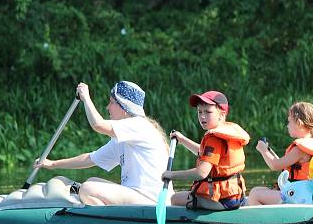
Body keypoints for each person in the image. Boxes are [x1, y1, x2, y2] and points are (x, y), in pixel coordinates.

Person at [34, 80, 171, 205]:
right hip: (139, 197)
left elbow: (98, 125)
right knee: (92, 181)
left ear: (124, 108)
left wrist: (86, 98)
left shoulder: (138, 125)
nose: (107, 107)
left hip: (153, 201)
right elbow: (89, 159)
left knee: (87, 188)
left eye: (111, 102)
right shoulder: (124, 137)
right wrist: (52, 164)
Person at [162, 91, 250, 210]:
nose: (202, 116)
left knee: (175, 199)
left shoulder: (214, 138)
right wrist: (182, 140)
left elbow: (201, 173)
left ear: (222, 115)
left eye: (208, 112)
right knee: (184, 195)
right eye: (200, 112)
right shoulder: (222, 133)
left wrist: (171, 175)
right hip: (233, 197)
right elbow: (204, 154)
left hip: (221, 201)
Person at [246, 101, 313, 205]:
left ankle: (268, 221)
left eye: (289, 122)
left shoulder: (300, 149)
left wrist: (263, 150)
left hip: (300, 198)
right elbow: (283, 164)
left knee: (254, 195)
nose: (287, 125)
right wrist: (270, 153)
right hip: (312, 195)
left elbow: (275, 165)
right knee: (258, 189)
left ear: (299, 123)